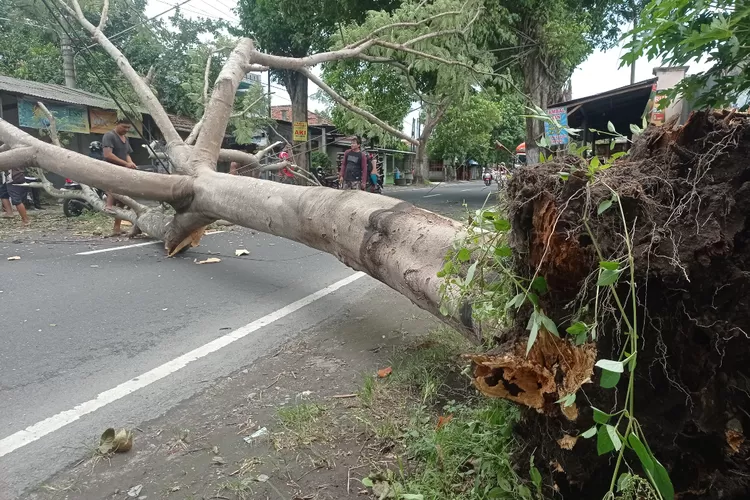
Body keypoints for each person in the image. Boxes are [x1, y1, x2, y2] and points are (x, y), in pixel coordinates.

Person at [102, 119, 137, 235]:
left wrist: (130, 163)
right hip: (112, 169)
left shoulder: (125, 139)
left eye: (128, 128)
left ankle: (116, 228)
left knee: (122, 200)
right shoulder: (109, 136)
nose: (126, 130)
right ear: (117, 124)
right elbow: (108, 154)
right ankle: (108, 205)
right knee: (113, 188)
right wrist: (126, 164)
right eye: (124, 127)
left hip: (123, 170)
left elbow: (127, 154)